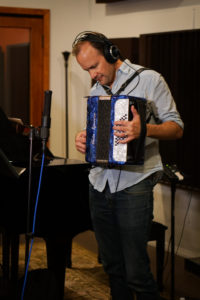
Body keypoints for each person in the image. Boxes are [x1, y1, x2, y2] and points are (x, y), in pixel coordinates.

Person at [72, 31, 183, 300]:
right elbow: (97, 133)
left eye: (94, 67)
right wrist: (84, 139)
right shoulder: (96, 89)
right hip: (99, 183)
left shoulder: (149, 79)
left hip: (134, 184)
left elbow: (176, 128)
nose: (91, 75)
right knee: (112, 267)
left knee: (136, 271)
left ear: (112, 54)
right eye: (86, 70)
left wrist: (144, 129)